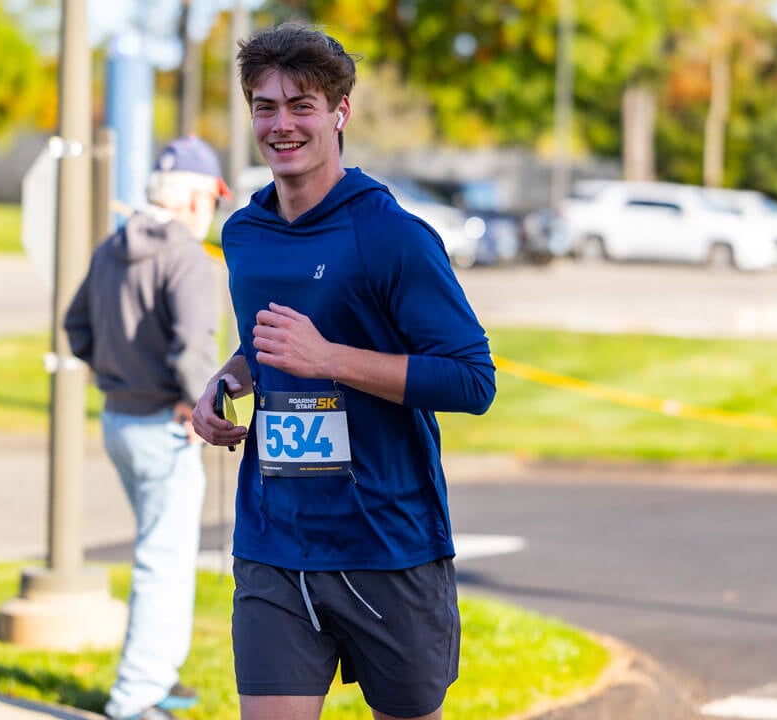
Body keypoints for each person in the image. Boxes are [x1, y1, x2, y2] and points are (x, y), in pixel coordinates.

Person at [190, 23, 497, 720]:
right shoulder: (244, 233)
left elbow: (472, 381)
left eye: (301, 104)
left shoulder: (390, 237)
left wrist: (328, 359)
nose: (281, 123)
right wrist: (228, 383)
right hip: (275, 539)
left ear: (339, 113)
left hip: (386, 544)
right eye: (264, 106)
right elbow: (268, 347)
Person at [64, 135, 231, 720]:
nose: (212, 208)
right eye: (211, 196)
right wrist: (201, 403)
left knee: (163, 552)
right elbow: (194, 350)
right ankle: (134, 697)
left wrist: (117, 374)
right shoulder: (186, 256)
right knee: (164, 559)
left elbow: (76, 325)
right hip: (166, 424)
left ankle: (158, 675)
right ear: (191, 200)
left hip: (119, 419)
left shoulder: (114, 245)